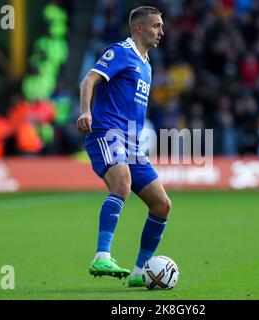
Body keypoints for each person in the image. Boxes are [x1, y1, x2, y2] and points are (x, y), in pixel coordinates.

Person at [76, 6, 170, 288]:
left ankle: (141, 272)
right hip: (107, 132)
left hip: (131, 143)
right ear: (139, 28)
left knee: (162, 205)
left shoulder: (147, 63)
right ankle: (101, 255)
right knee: (122, 184)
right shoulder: (120, 52)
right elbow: (88, 79)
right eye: (156, 26)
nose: (161, 32)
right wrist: (85, 112)